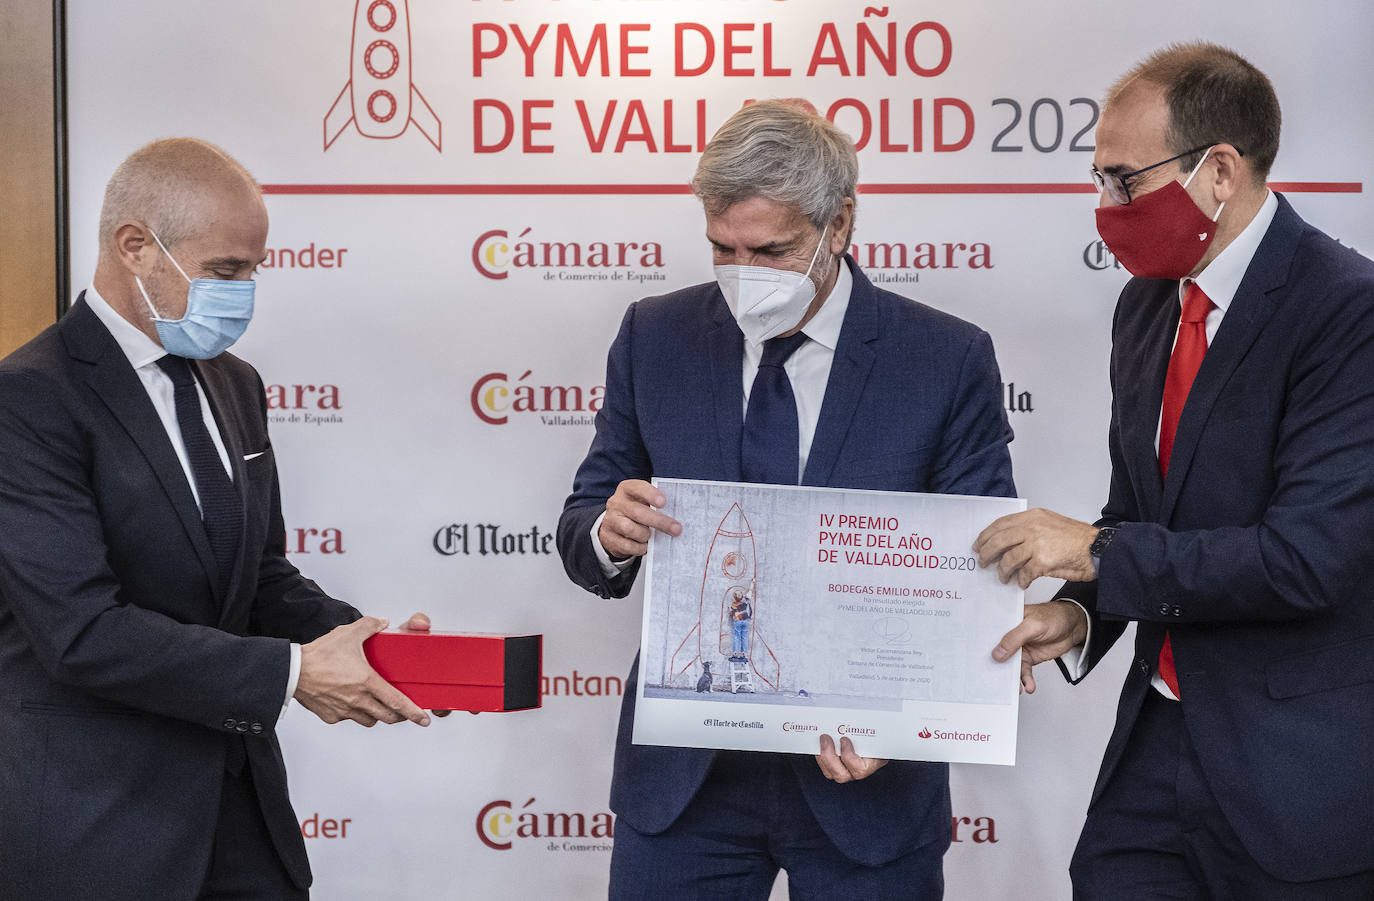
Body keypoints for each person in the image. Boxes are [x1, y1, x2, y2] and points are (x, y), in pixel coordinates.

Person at [558, 100, 1015, 899]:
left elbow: (979, 574)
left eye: (771, 250)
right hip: (685, 783)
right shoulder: (652, 335)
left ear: (838, 225)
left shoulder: (945, 357)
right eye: (721, 247)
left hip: (864, 781)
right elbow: (582, 522)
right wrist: (608, 530)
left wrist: (898, 727)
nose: (743, 273)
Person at [973, 43, 1374, 898]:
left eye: (1124, 180)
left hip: (1295, 779)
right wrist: (1080, 617)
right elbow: (1136, 513)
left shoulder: (1348, 312)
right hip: (1154, 753)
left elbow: (1305, 561)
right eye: (1099, 179)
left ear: (1219, 171)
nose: (1106, 206)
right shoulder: (1146, 305)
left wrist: (1095, 556)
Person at [0, 138, 437, 901]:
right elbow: (81, 633)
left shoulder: (235, 384)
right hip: (98, 831)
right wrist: (295, 673)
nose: (244, 292)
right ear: (135, 246)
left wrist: (357, 641)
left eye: (253, 270)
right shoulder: (29, 400)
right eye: (226, 271)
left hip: (244, 823)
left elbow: (259, 576)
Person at [729, 589, 752, 659]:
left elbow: (730, 613)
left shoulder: (733, 604)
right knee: (744, 637)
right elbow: (749, 593)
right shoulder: (745, 603)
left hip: (737, 621)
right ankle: (743, 653)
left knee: (736, 637)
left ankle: (735, 653)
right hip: (745, 621)